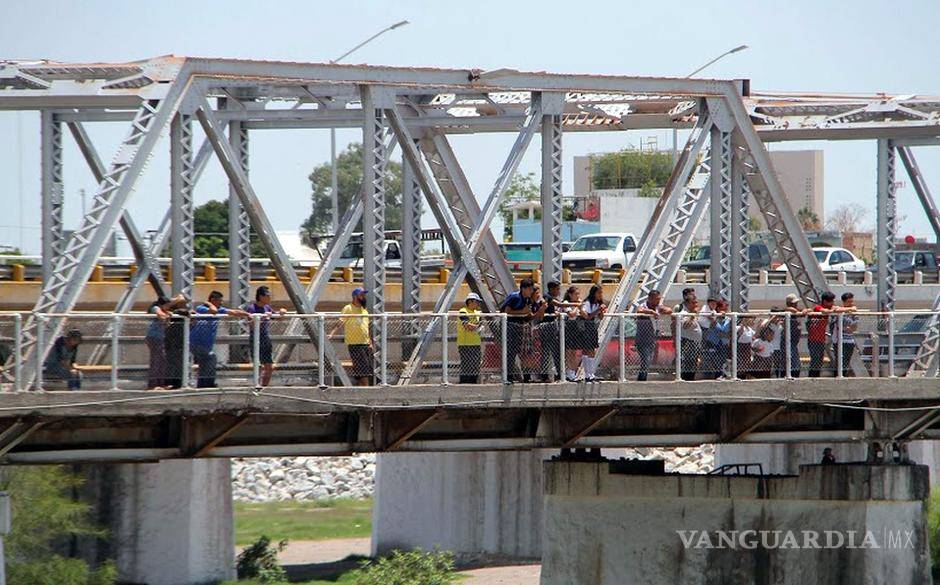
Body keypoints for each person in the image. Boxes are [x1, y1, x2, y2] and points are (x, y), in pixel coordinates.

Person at [190, 291, 249, 388]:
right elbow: (213, 311)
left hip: (206, 344)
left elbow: (233, 312)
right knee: (211, 358)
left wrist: (247, 314)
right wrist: (208, 303)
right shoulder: (202, 308)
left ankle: (203, 384)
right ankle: (208, 383)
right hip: (196, 342)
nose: (221, 303)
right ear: (213, 300)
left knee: (205, 362)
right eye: (220, 301)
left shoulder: (219, 309)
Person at [244, 285, 286, 387]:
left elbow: (277, 318)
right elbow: (251, 324)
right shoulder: (252, 308)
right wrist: (263, 318)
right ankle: (256, 385)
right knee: (258, 365)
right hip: (256, 339)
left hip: (265, 339)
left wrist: (282, 312)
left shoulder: (267, 307)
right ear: (261, 296)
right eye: (267, 296)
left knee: (269, 366)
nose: (269, 298)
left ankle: (264, 387)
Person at [500, 278, 538, 383]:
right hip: (510, 326)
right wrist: (522, 312)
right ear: (523, 289)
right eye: (530, 289)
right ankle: (507, 376)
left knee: (520, 351)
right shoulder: (515, 297)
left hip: (520, 327)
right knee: (510, 352)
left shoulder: (528, 299)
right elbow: (507, 312)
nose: (531, 291)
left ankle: (524, 375)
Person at [337, 287, 373, 386]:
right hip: (355, 343)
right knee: (362, 369)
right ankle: (366, 389)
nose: (363, 297)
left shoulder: (364, 310)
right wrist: (332, 333)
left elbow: (366, 327)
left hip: (365, 343)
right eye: (361, 295)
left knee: (366, 369)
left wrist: (370, 341)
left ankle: (361, 387)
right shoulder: (348, 308)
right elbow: (341, 321)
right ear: (355, 296)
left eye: (363, 295)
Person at [634, 290, 672, 381]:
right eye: (656, 299)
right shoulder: (644, 306)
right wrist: (651, 312)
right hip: (642, 338)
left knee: (648, 359)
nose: (658, 301)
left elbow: (669, 310)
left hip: (651, 338)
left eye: (659, 299)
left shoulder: (658, 307)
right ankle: (642, 379)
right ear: (650, 298)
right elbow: (639, 310)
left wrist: (662, 310)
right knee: (646, 359)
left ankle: (642, 378)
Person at [536, 281, 567, 382]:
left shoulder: (549, 298)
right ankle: (545, 375)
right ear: (552, 289)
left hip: (551, 326)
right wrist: (577, 304)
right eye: (557, 289)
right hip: (547, 326)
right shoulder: (547, 297)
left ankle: (557, 374)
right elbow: (560, 304)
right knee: (547, 351)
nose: (558, 291)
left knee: (554, 351)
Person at [578, 285, 607, 382]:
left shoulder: (598, 303)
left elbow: (601, 317)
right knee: (587, 350)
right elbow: (588, 316)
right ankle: (588, 373)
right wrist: (598, 310)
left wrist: (601, 310)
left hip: (593, 328)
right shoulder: (587, 303)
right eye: (599, 293)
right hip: (586, 328)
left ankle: (590, 373)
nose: (600, 295)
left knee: (592, 350)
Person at [807, 292, 837, 377]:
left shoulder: (830, 307)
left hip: (821, 339)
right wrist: (832, 310)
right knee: (815, 360)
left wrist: (834, 309)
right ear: (825, 301)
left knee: (819, 360)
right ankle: (812, 377)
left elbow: (836, 308)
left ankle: (816, 377)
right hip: (813, 339)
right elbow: (824, 311)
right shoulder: (818, 307)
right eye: (831, 301)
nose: (832, 303)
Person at [145, 296, 172, 389]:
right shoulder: (156, 308)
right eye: (167, 305)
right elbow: (161, 316)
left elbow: (166, 323)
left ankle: (160, 383)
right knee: (156, 360)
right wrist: (166, 315)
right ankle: (153, 384)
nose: (168, 307)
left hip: (160, 338)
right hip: (153, 337)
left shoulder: (164, 310)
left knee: (162, 360)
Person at [457, 293, 484, 384]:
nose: (478, 304)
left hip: (476, 342)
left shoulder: (478, 313)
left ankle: (473, 382)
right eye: (477, 302)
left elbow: (479, 324)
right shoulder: (463, 311)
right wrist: (476, 327)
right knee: (466, 364)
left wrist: (475, 327)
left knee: (476, 364)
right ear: (471, 301)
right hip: (465, 342)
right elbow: (466, 325)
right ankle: (464, 382)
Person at [701, 299, 731, 379]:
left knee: (722, 361)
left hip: (723, 344)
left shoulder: (729, 319)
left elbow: (730, 334)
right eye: (723, 308)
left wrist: (724, 335)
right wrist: (716, 317)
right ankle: (708, 378)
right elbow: (715, 328)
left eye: (726, 308)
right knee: (711, 361)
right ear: (718, 308)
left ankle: (720, 376)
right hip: (713, 343)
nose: (725, 310)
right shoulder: (713, 317)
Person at [831, 292, 859, 377]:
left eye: (852, 301)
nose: (851, 304)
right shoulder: (841, 309)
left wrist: (848, 328)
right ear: (844, 302)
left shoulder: (853, 313)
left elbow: (854, 327)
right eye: (849, 301)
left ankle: (844, 375)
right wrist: (848, 310)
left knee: (846, 360)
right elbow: (836, 311)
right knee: (839, 359)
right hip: (839, 340)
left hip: (849, 340)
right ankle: (837, 376)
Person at [783, 293, 809, 377]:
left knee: (796, 362)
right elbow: (791, 310)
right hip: (787, 341)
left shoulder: (797, 310)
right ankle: (790, 375)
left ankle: (794, 374)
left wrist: (804, 311)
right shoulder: (787, 310)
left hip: (794, 341)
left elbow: (808, 310)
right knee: (792, 362)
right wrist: (801, 312)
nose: (795, 305)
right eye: (794, 303)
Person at [164, 307, 190, 389]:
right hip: (175, 348)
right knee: (175, 365)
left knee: (176, 365)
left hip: (177, 348)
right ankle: (175, 382)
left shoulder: (177, 325)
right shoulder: (177, 326)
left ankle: (176, 382)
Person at [563, 286, 585, 382]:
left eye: (578, 294)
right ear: (570, 295)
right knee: (569, 351)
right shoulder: (566, 303)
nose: (578, 296)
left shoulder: (578, 303)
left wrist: (581, 307)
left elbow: (584, 314)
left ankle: (573, 370)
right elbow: (571, 314)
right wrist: (577, 306)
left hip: (576, 328)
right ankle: (568, 371)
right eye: (576, 294)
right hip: (569, 328)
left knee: (575, 351)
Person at [677, 297, 702, 381]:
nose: (696, 305)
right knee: (688, 361)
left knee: (694, 361)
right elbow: (685, 326)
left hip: (695, 341)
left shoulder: (692, 313)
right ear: (688, 304)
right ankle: (686, 378)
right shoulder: (684, 313)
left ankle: (691, 378)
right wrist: (692, 316)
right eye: (694, 303)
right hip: (689, 341)